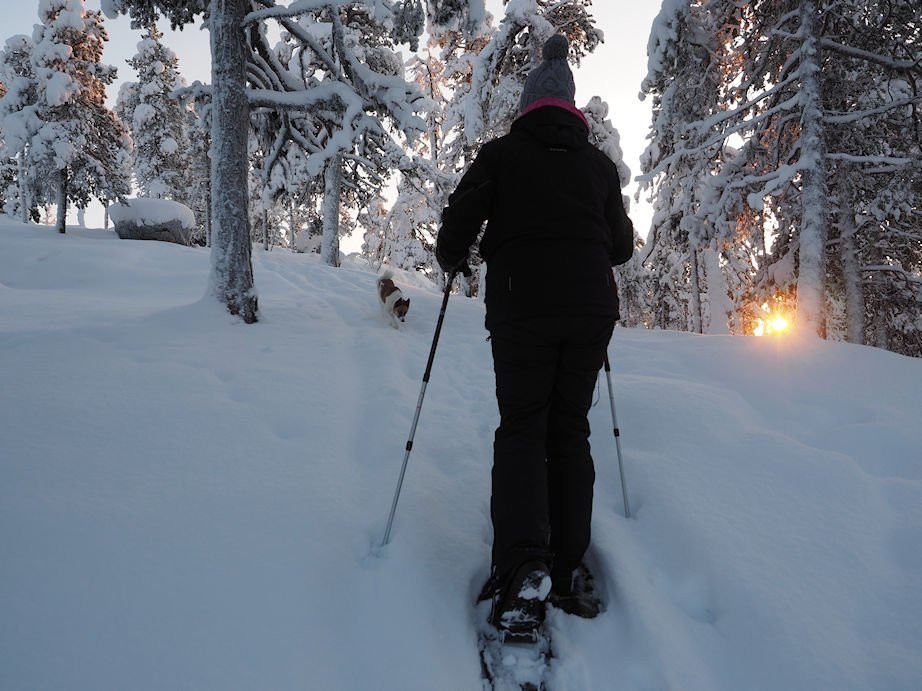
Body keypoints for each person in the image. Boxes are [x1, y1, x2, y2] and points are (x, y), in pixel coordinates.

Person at [435, 34, 634, 639]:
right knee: (569, 427)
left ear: (527, 105)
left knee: (523, 425)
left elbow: (459, 218)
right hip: (589, 309)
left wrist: (453, 257)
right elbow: (621, 246)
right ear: (571, 108)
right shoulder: (597, 165)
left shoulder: (501, 155)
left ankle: (524, 569)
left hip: (522, 307)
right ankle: (569, 566)